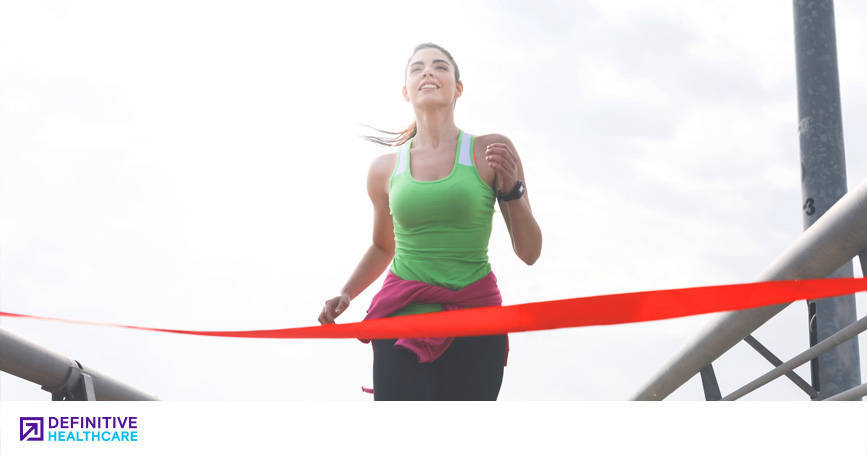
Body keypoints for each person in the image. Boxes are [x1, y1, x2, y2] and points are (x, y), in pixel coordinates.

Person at [318, 43, 542, 400]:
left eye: (440, 67)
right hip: (403, 323)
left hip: (476, 320)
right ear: (406, 91)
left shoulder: (492, 151)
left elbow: (529, 252)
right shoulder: (383, 170)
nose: (428, 72)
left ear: (458, 88)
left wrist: (512, 187)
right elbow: (382, 245)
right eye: (417, 68)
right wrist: (347, 292)